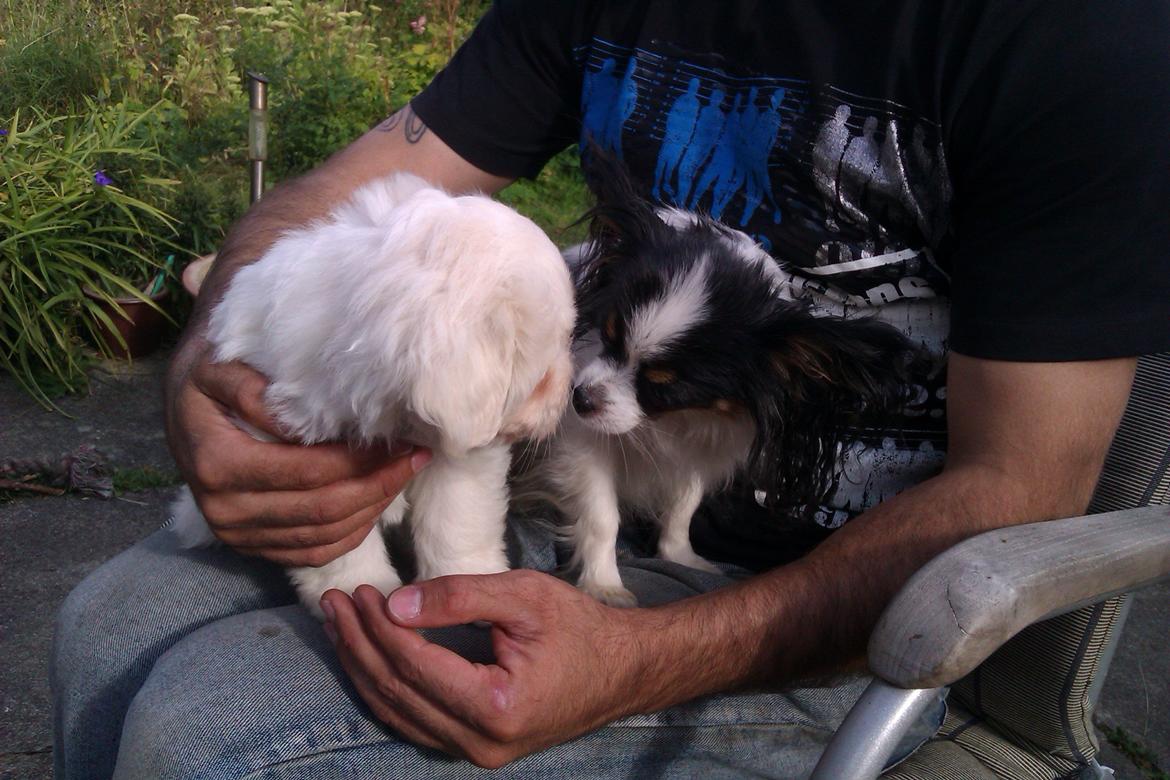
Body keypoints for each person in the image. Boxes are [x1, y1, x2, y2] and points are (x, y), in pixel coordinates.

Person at [52, 1, 1170, 777]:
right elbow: (346, 193)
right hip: (558, 525)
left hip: (843, 630)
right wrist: (204, 366)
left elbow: (1024, 483)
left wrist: (637, 661)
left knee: (216, 741)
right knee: (106, 625)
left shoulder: (1074, 37)